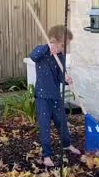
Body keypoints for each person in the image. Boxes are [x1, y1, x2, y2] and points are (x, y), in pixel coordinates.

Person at [29, 25, 81, 167]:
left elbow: (59, 77)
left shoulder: (61, 57)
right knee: (45, 126)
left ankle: (67, 144)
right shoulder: (42, 53)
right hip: (42, 97)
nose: (64, 48)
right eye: (63, 44)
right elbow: (33, 56)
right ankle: (46, 155)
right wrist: (48, 46)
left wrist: (66, 79)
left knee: (62, 123)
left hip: (56, 97)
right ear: (55, 41)